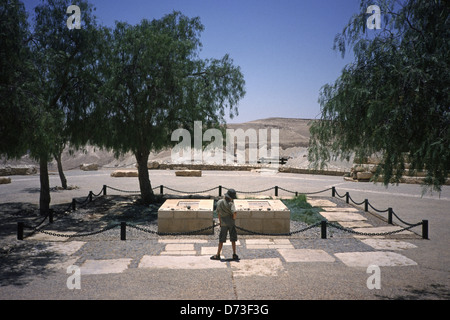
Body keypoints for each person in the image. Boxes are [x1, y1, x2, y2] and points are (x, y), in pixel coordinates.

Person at [210, 188, 239, 260]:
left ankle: (218, 254)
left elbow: (218, 213)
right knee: (233, 239)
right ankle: (234, 254)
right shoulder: (230, 204)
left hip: (223, 223)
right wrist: (234, 218)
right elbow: (234, 212)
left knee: (221, 239)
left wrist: (220, 222)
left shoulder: (219, 202)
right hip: (231, 223)